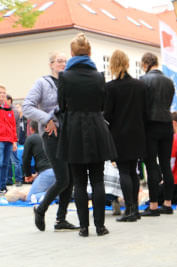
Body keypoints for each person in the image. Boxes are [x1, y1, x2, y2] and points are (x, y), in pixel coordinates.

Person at [57, 33, 117, 237]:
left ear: (72, 53)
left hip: (73, 129)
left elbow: (62, 106)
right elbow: (102, 105)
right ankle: (100, 226)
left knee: (79, 182)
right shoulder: (99, 76)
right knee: (98, 180)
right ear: (89, 53)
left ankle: (84, 227)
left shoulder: (64, 77)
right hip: (96, 127)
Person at [23, 52, 79, 232]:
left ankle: (60, 219)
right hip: (51, 134)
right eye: (59, 61)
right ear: (51, 64)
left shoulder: (70, 81)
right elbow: (27, 107)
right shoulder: (42, 83)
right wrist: (47, 119)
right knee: (62, 178)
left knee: (70, 180)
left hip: (69, 133)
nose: (63, 64)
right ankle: (41, 209)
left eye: (65, 61)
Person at [104, 49, 147, 223]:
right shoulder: (140, 86)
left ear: (112, 66)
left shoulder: (111, 88)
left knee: (124, 171)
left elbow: (107, 114)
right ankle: (135, 209)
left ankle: (128, 209)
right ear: (128, 64)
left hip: (119, 135)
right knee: (133, 171)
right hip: (137, 133)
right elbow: (145, 111)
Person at [140, 52, 175, 217]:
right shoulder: (169, 82)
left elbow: (142, 106)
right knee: (166, 164)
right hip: (167, 124)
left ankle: (153, 205)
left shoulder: (143, 80)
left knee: (151, 165)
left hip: (150, 125)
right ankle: (168, 203)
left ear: (146, 64)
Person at [7, 95, 23, 186]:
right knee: (9, 160)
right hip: (9, 137)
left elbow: (10, 125)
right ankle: (9, 179)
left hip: (12, 138)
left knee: (14, 160)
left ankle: (18, 179)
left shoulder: (13, 111)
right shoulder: (9, 110)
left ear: (9, 100)